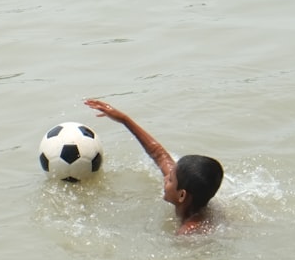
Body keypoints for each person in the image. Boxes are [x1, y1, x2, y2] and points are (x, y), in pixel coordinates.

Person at [84, 99, 223, 235]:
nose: (166, 177)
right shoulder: (191, 192)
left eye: (170, 180)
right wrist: (124, 119)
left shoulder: (189, 233)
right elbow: (159, 155)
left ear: (182, 195)